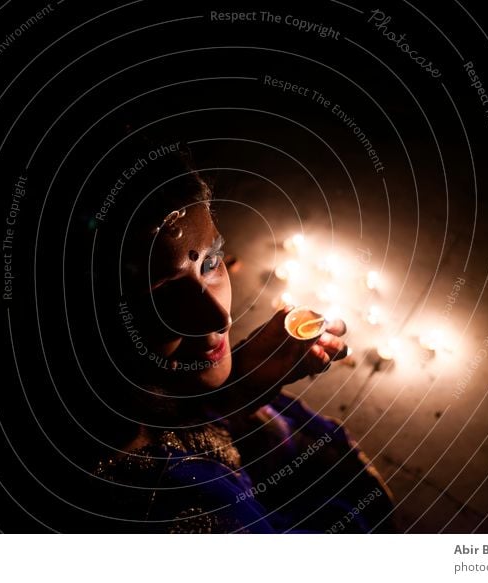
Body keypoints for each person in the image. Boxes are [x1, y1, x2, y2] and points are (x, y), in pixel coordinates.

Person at [82, 135, 394, 533]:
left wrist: (239, 388)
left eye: (210, 262)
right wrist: (362, 488)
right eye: (161, 298)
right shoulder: (181, 505)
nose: (217, 317)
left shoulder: (138, 397)